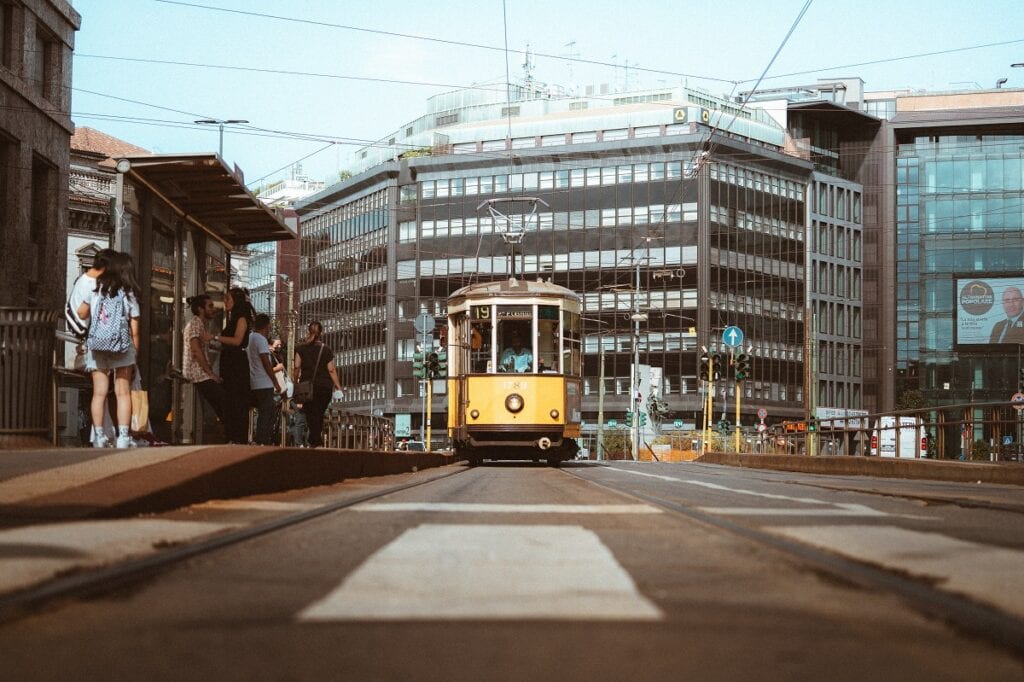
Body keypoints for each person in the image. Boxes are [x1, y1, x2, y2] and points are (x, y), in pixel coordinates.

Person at [77, 251, 141, 449]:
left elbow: (81, 312)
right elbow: (135, 329)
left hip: (98, 346)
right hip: (122, 347)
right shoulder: (128, 293)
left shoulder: (96, 289)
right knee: (122, 393)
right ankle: (123, 437)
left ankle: (99, 436)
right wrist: (134, 352)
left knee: (99, 394)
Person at [213, 287, 254, 443]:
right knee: (230, 400)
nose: (225, 302)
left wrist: (215, 338)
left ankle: (237, 437)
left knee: (236, 400)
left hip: (236, 365)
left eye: (228, 299)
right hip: (230, 363)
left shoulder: (241, 318)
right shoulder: (233, 318)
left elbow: (237, 340)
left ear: (236, 301)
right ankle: (233, 436)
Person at [293, 320, 343, 448]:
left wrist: (295, 383)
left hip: (307, 387)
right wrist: (338, 386)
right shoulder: (326, 349)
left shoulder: (300, 348)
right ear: (321, 333)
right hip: (324, 387)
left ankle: (315, 439)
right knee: (319, 413)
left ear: (308, 331)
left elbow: (297, 367)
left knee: (310, 413)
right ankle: (315, 439)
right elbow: (331, 369)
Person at [183, 294, 224, 427]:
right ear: (201, 309)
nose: (213, 309)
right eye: (210, 306)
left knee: (220, 402)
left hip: (201, 373)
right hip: (198, 374)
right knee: (223, 402)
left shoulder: (200, 324)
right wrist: (210, 374)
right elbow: (196, 350)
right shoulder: (195, 324)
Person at [246, 314, 284, 445]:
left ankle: (257, 438)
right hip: (264, 383)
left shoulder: (249, 338)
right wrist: (276, 383)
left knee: (260, 412)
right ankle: (262, 441)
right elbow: (266, 364)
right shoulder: (261, 340)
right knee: (266, 413)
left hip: (252, 383)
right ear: (267, 326)